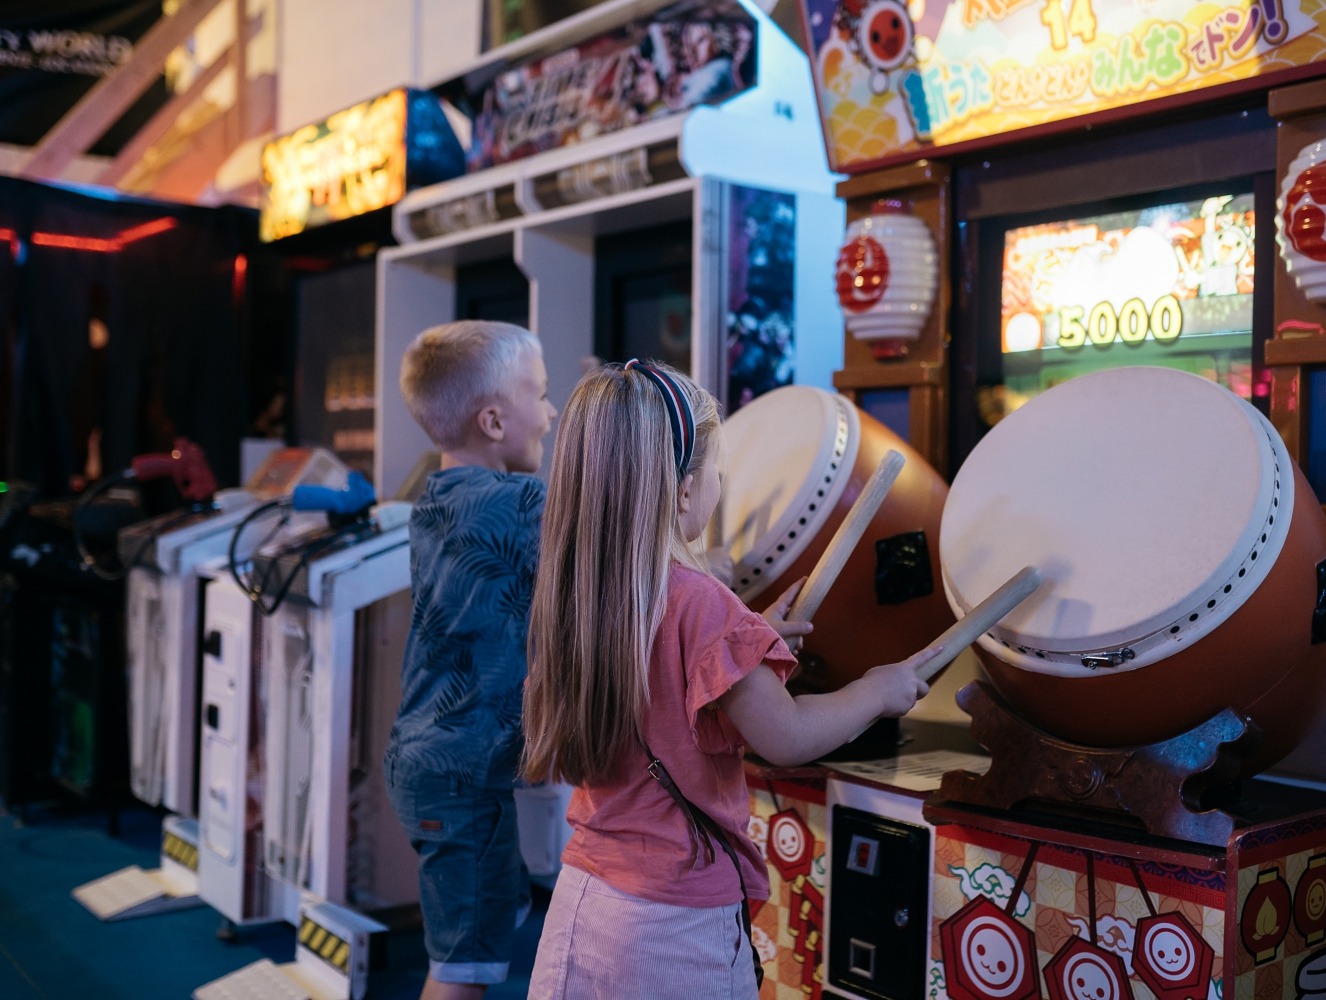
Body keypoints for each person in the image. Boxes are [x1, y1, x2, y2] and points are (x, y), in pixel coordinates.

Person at [521, 360, 941, 999]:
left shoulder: (579, 594)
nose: (720, 485)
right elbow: (786, 736)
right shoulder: (701, 603)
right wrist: (877, 691)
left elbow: (662, 684)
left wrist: (745, 641)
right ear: (684, 489)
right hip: (671, 922)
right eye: (716, 470)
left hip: (583, 902)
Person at [384, 320, 557, 1000]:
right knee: (463, 971)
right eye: (540, 397)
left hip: (435, 766)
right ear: (493, 420)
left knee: (496, 911)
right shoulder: (521, 504)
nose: (549, 412)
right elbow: (617, 541)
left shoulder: (434, 498)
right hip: (461, 780)